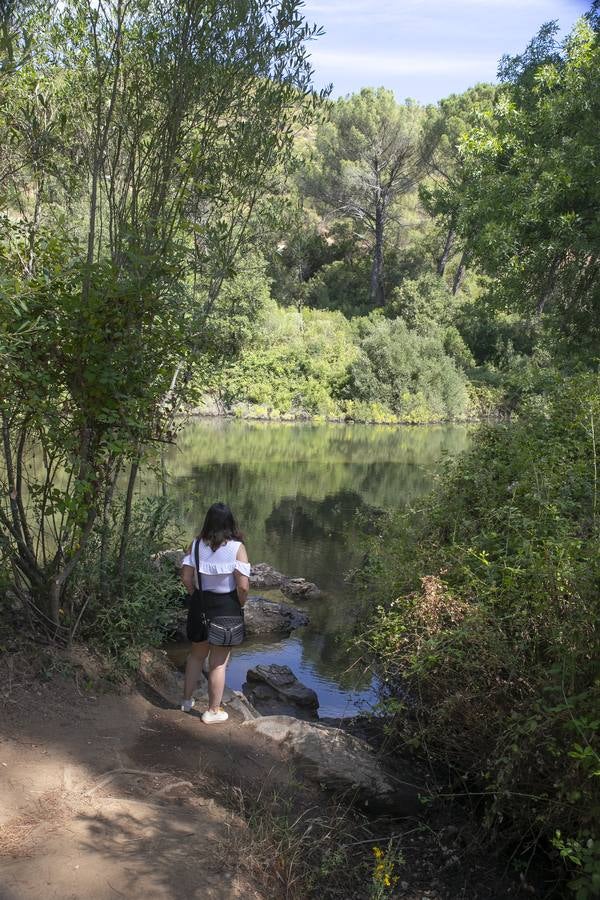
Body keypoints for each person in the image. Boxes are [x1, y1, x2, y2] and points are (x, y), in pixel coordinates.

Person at [180, 502, 250, 724]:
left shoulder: (195, 545)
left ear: (207, 521)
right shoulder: (237, 548)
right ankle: (212, 711)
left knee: (196, 655)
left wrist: (195, 594)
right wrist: (239, 603)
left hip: (200, 605)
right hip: (226, 607)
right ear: (230, 523)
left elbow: (185, 578)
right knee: (218, 663)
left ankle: (186, 700)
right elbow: (243, 586)